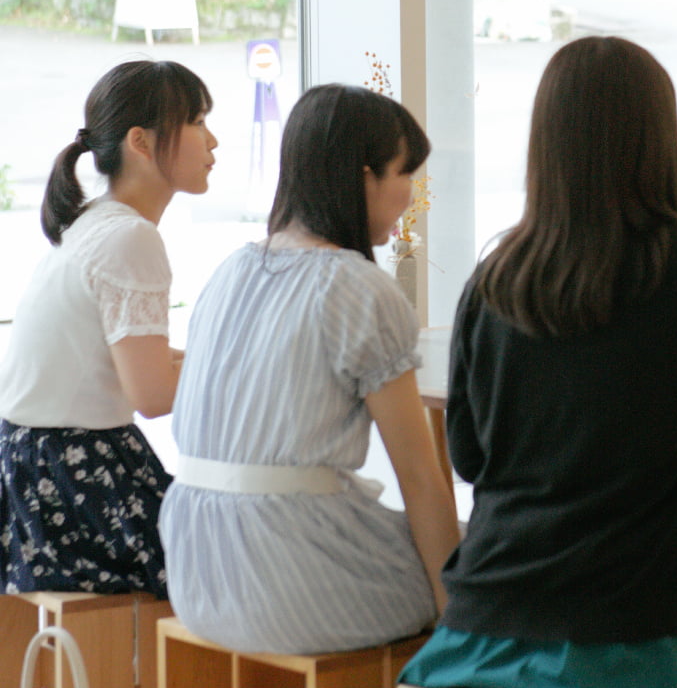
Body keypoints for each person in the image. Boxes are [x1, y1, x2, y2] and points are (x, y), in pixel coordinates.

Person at [399, 36, 677, 688]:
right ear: (659, 140)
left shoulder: (494, 278)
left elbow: (468, 456)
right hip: (655, 641)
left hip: (484, 637)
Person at [159, 84, 459, 654]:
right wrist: (460, 628)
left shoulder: (230, 271)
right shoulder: (359, 288)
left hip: (198, 572)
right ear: (365, 176)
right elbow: (421, 478)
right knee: (486, 570)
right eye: (405, 173)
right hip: (293, 576)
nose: (412, 194)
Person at [0, 60, 216, 598]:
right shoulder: (130, 238)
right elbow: (154, 395)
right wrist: (243, 370)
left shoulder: (96, 221)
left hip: (36, 469)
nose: (213, 140)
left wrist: (215, 359)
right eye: (197, 122)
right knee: (233, 567)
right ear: (141, 142)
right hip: (74, 478)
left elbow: (134, 363)